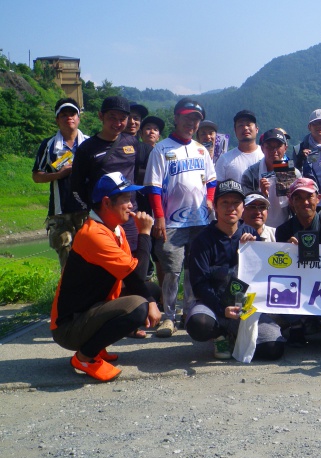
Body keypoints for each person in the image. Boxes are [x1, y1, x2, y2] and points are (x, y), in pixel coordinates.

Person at [49, 172, 160, 382]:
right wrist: (145, 233)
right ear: (107, 203)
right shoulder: (94, 235)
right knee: (139, 306)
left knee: (150, 291)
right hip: (68, 327)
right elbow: (138, 273)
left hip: (90, 311)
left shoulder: (115, 229)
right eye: (126, 199)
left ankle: (97, 347)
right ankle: (84, 358)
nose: (132, 205)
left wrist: (152, 299)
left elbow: (133, 276)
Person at [185, 180, 285, 361]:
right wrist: (221, 309)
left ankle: (237, 334)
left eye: (236, 203)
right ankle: (219, 336)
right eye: (225, 202)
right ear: (215, 206)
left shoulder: (252, 235)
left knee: (273, 348)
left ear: (242, 207)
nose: (231, 208)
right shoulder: (202, 240)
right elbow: (199, 284)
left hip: (246, 306)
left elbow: (265, 274)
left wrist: (254, 249)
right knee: (199, 324)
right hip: (213, 304)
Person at [144, 97, 217, 338]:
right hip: (172, 222)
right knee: (172, 271)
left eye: (195, 119)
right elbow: (153, 187)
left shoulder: (200, 149)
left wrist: (209, 198)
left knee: (192, 270)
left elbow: (212, 180)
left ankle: (188, 312)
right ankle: (168, 316)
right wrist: (159, 216)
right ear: (176, 118)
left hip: (199, 221)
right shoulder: (161, 149)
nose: (191, 123)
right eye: (186, 117)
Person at [275, 177, 321, 346]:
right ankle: (298, 326)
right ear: (291, 201)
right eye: (298, 198)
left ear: (318, 198)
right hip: (296, 284)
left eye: (309, 197)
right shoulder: (283, 230)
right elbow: (282, 269)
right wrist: (288, 251)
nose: (304, 202)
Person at [71, 95, 145, 250]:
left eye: (122, 118)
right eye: (112, 117)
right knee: (105, 265)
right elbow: (76, 186)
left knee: (133, 263)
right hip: (103, 220)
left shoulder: (132, 143)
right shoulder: (87, 148)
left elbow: (136, 175)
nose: (118, 123)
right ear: (101, 116)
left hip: (130, 216)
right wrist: (94, 209)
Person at [32, 98, 89, 269]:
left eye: (72, 114)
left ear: (79, 117)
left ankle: (92, 296)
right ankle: (68, 296)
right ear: (57, 119)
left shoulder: (89, 143)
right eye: (63, 115)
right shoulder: (49, 145)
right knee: (67, 262)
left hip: (86, 210)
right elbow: (36, 176)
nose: (68, 118)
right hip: (60, 212)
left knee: (89, 258)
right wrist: (59, 174)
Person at [241, 128, 300, 229]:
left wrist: (292, 196)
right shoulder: (251, 174)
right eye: (269, 147)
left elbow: (299, 208)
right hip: (258, 229)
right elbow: (244, 206)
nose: (274, 151)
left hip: (286, 228)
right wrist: (261, 194)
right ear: (262, 148)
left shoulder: (294, 173)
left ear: (285, 148)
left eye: (278, 146)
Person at [215, 110, 264, 182]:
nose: (245, 128)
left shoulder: (266, 155)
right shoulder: (224, 159)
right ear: (235, 130)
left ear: (256, 129)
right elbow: (218, 189)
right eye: (241, 125)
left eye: (249, 124)